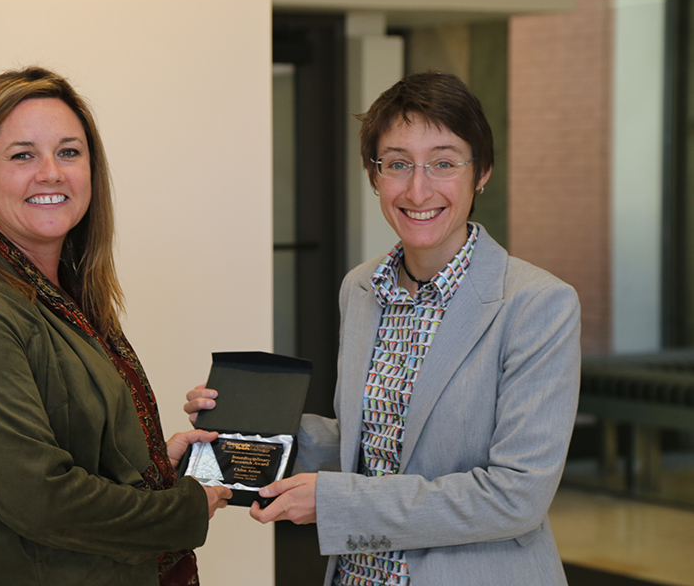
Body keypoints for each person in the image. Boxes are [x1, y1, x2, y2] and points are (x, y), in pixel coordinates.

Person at [185, 71, 580, 585]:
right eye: (397, 164)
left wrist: (336, 503)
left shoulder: (537, 305)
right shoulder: (362, 289)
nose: (418, 189)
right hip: (360, 574)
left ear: (481, 172)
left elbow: (514, 498)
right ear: (374, 176)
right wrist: (243, 428)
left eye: (443, 163)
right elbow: (370, 442)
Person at [0, 67, 231, 586]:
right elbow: (41, 499)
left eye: (69, 152)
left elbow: (77, 441)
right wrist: (184, 507)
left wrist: (155, 469)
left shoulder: (66, 297)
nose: (51, 172)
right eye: (22, 154)